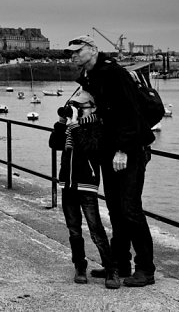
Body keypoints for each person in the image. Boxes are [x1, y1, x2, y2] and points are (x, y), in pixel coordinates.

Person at [64, 34, 156, 287]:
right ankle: (119, 264)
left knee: (130, 209)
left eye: (77, 50)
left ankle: (146, 269)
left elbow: (131, 113)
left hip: (129, 150)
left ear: (93, 50)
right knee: (116, 208)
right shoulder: (91, 76)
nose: (72, 55)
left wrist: (123, 150)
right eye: (70, 52)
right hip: (109, 150)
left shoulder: (113, 74)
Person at [49, 86, 119, 289]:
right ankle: (79, 265)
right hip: (67, 182)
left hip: (86, 183)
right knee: (73, 230)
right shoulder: (71, 126)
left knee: (95, 228)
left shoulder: (97, 126)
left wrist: (75, 126)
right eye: (74, 106)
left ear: (92, 108)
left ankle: (111, 268)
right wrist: (62, 123)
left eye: (81, 106)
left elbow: (90, 148)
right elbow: (54, 143)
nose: (76, 109)